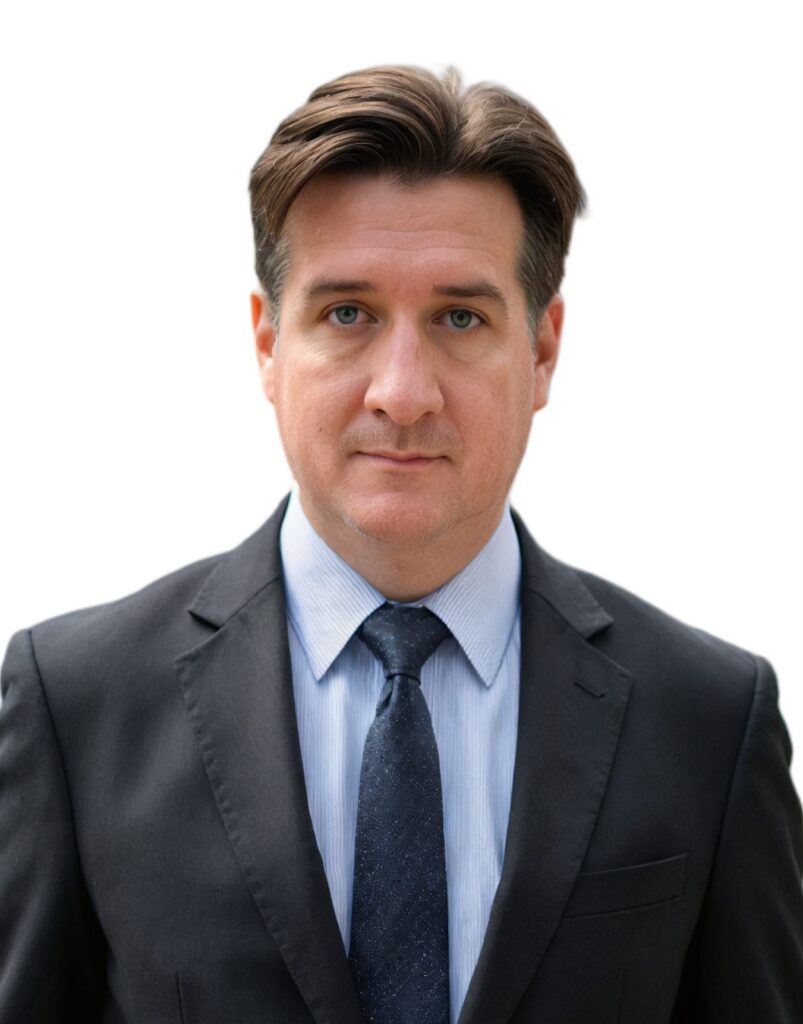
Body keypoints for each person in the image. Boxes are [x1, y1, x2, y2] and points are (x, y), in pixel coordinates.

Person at [1, 64, 801, 1024]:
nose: (402, 392)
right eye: (347, 314)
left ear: (542, 350)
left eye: (460, 318)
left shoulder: (710, 720)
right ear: (267, 344)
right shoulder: (77, 705)